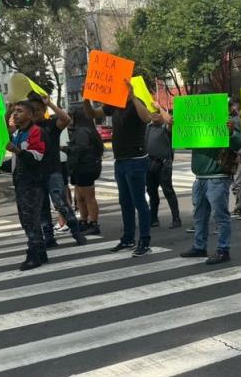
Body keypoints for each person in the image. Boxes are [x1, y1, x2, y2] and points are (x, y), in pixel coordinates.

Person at [83, 87, 154, 257]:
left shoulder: (136, 102)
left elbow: (146, 117)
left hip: (136, 160)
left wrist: (133, 97)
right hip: (120, 161)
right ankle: (128, 239)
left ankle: (144, 241)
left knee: (139, 202)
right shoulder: (113, 104)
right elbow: (92, 114)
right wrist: (86, 99)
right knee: (125, 202)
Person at [177, 107, 241, 265]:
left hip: (218, 176)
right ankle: (200, 246)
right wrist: (175, 127)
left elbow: (238, 143)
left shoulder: (227, 121)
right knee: (199, 215)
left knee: (220, 215)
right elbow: (184, 143)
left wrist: (231, 132)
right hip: (200, 177)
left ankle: (223, 249)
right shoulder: (195, 122)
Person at [27, 94, 87, 248]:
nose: (35, 113)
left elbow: (66, 119)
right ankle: (49, 237)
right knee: (42, 207)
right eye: (32, 110)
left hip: (53, 170)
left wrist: (51, 103)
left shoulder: (51, 124)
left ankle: (76, 232)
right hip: (35, 173)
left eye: (38, 109)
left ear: (44, 110)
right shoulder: (27, 128)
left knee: (60, 203)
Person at [6, 101, 49, 271]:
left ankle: (33, 255)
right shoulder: (18, 133)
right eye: (14, 111)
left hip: (33, 183)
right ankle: (40, 251)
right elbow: (18, 162)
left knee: (30, 220)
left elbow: (36, 157)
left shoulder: (36, 132)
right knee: (28, 221)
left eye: (19, 111)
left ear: (30, 115)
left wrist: (16, 151)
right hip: (21, 183)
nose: (15, 114)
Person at [65, 106, 104, 235]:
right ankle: (84, 220)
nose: (68, 118)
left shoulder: (82, 131)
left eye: (70, 116)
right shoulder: (84, 129)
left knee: (88, 197)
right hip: (83, 167)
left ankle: (93, 223)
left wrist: (66, 149)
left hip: (84, 167)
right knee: (80, 197)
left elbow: (80, 149)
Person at [144, 111, 181, 229]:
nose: (154, 115)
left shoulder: (166, 128)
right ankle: (153, 218)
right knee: (151, 192)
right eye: (152, 113)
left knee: (168, 191)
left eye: (157, 113)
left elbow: (170, 122)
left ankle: (176, 218)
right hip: (149, 164)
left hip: (163, 165)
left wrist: (160, 108)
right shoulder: (148, 128)